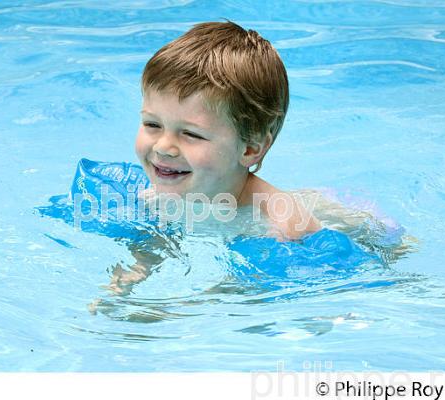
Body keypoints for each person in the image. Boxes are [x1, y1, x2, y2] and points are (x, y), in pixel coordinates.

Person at [134, 20, 321, 242]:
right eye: (152, 124)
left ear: (250, 149)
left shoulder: (283, 225)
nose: (163, 147)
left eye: (191, 134)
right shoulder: (161, 192)